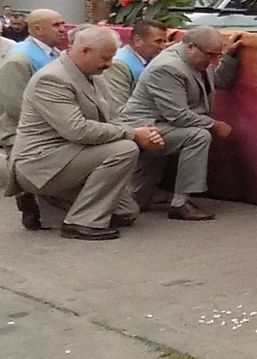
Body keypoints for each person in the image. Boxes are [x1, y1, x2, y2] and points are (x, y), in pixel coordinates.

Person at [10, 26, 163, 241]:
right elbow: (77, 130)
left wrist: (144, 130)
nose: (109, 64)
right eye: (106, 58)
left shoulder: (93, 75)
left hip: (71, 157)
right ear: (85, 51)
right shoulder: (52, 79)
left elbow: (110, 120)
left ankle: (41, 205)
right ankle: (82, 222)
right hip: (41, 163)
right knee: (124, 149)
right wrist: (133, 134)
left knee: (126, 213)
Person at [119, 25, 242, 221]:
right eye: (210, 55)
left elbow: (220, 80)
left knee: (136, 203)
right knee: (198, 136)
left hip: (162, 125)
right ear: (191, 47)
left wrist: (228, 57)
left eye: (216, 56)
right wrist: (214, 124)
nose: (213, 61)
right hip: (145, 126)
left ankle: (140, 197)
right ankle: (180, 203)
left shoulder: (196, 58)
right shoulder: (167, 67)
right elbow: (178, 116)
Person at [0, 7, 69, 230]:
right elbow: (14, 103)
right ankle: (30, 205)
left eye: (62, 24)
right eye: (56, 25)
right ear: (38, 29)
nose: (63, 29)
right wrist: (53, 127)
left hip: (52, 124)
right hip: (25, 130)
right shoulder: (19, 58)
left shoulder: (54, 54)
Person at [97, 19, 170, 117]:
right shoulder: (118, 65)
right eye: (158, 41)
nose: (163, 47)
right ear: (137, 41)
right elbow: (118, 111)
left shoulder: (149, 61)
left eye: (165, 41)